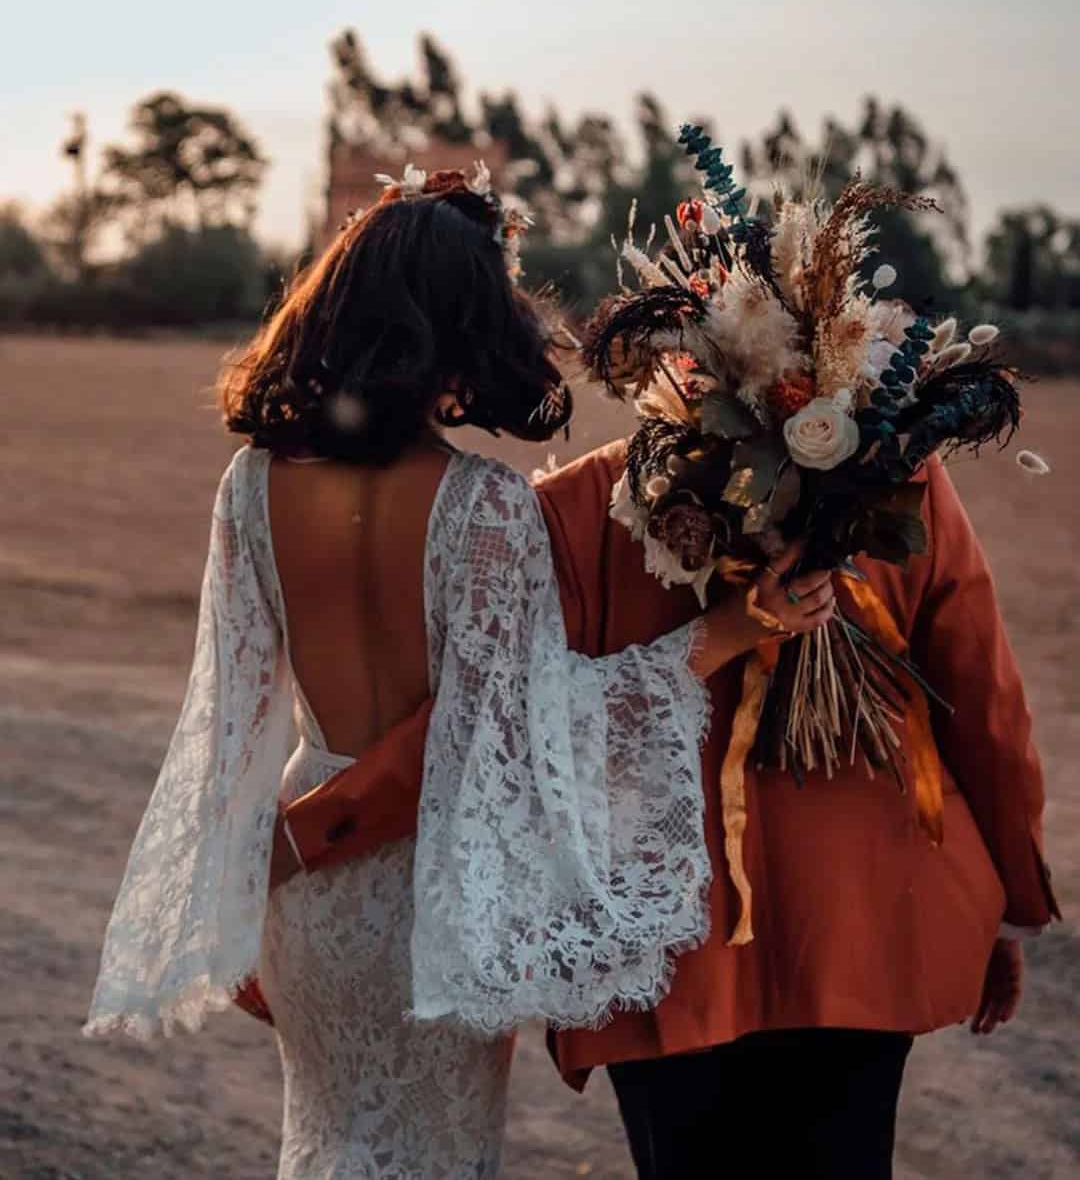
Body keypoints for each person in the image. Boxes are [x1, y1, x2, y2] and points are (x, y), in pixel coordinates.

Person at [83, 166, 836, 1180]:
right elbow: (513, 732)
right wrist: (731, 632)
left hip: (302, 874)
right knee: (435, 1154)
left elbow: (229, 715)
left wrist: (244, 883)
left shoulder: (252, 482)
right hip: (431, 887)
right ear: (459, 330)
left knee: (326, 1140)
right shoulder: (484, 507)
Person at [272, 427, 1059, 1179]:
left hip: (666, 951)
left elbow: (495, 728)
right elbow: (982, 696)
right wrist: (1010, 902)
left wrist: (310, 832)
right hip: (864, 925)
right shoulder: (898, 477)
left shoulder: (586, 502)